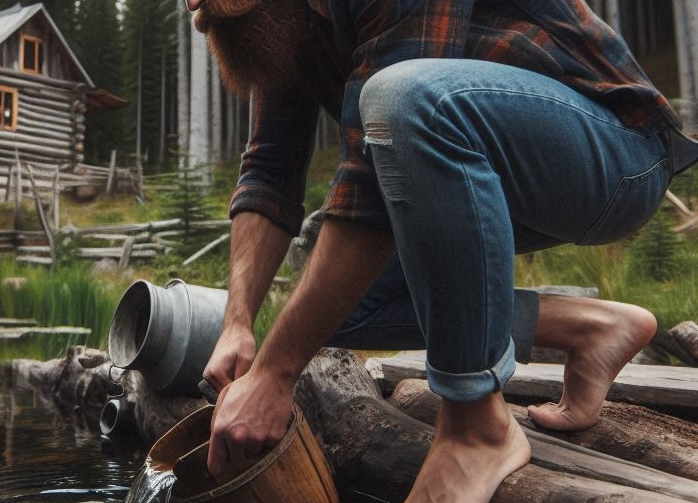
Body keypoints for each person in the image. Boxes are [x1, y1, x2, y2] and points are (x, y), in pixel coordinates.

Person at [187, 0, 698, 501]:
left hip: (615, 156)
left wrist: (275, 374)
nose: (194, 5)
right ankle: (589, 328)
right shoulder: (288, 24)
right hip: (480, 176)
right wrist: (239, 323)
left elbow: (372, 176)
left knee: (404, 97)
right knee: (336, 308)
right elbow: (270, 172)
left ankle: (477, 428)